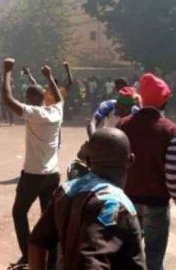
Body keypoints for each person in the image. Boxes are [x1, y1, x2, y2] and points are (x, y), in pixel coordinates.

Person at [29, 128, 146, 270]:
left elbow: (37, 243)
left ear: (89, 161)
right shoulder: (114, 205)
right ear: (131, 160)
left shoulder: (66, 191)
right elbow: (90, 263)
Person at [2, 58, 63, 269]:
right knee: (49, 218)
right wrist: (48, 77)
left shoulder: (33, 113)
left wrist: (7, 72)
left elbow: (7, 98)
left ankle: (28, 255)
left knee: (19, 213)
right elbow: (56, 96)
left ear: (29, 98)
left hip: (33, 175)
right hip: (53, 175)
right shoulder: (57, 111)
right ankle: (52, 261)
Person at [116, 73, 174, 270]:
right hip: (156, 202)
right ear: (164, 102)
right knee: (154, 257)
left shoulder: (123, 125)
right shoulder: (170, 130)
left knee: (128, 255)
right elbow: (172, 172)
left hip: (127, 200)